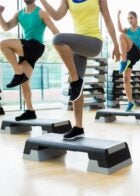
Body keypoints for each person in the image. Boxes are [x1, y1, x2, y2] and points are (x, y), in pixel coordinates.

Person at [40, 0, 120, 140]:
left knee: (58, 39)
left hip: (94, 42)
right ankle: (78, 127)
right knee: (77, 87)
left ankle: (76, 80)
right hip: (79, 45)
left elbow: (108, 20)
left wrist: (116, 45)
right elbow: (57, 15)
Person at [0, 0, 59, 121]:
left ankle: (18, 72)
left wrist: (63, 45)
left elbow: (54, 30)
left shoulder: (41, 13)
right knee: (24, 83)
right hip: (26, 49)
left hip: (36, 46)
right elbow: (6, 27)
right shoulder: (19, 14)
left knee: (3, 44)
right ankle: (30, 111)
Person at [117, 10, 140, 112]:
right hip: (129, 56)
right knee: (126, 79)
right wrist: (118, 16)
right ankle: (130, 102)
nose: (129, 20)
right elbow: (119, 29)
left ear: (136, 18)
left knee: (121, 36)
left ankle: (123, 61)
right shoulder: (127, 30)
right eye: (128, 19)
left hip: (137, 52)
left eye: (131, 18)